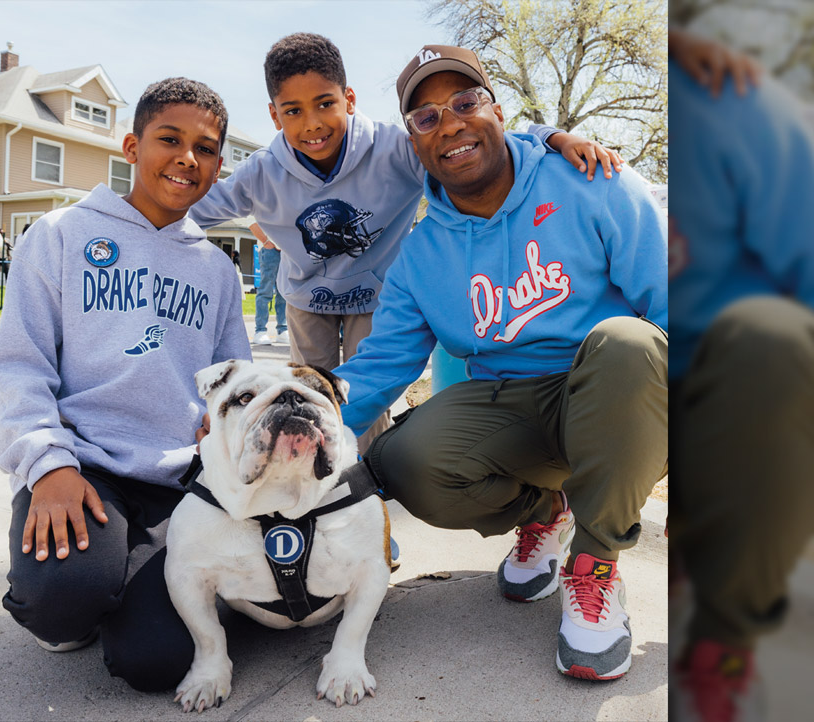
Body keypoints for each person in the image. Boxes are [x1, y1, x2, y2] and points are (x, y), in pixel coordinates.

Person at [332, 45, 667, 682]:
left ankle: (595, 567)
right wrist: (292, 416)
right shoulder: (420, 253)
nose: (451, 124)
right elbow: (377, 368)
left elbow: (675, 300)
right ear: (415, 143)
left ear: (497, 109)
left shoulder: (591, 180)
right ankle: (548, 514)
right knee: (404, 459)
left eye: (465, 102)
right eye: (426, 117)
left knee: (626, 341)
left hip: (617, 395)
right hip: (514, 406)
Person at [189, 32, 624, 455]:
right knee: (315, 387)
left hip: (377, 293)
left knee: (365, 387)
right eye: (293, 111)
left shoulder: (396, 148)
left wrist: (554, 137)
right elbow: (195, 208)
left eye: (325, 104)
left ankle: (364, 480)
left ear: (350, 100)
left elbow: (474, 142)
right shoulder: (261, 173)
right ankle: (305, 468)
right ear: (274, 115)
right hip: (308, 297)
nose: (313, 124)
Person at [0, 77, 250, 693]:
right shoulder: (60, 235)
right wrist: (46, 466)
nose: (187, 158)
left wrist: (223, 422)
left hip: (180, 482)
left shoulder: (216, 271)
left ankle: (138, 565)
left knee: (156, 662)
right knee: (61, 602)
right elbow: (15, 365)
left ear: (217, 167)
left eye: (205, 149)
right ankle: (91, 576)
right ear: (132, 145)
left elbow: (232, 382)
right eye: (169, 140)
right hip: (85, 467)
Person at [667, 33, 814, 722]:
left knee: (772, 342)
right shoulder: (560, 164)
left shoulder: (737, 105)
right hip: (627, 385)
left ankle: (722, 642)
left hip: (725, 383)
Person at [251, 225, 288, 345]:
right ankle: (260, 331)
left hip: (285, 250)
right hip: (269, 249)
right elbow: (251, 222)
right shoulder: (262, 205)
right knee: (265, 291)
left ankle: (282, 330)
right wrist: (266, 241)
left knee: (283, 292)